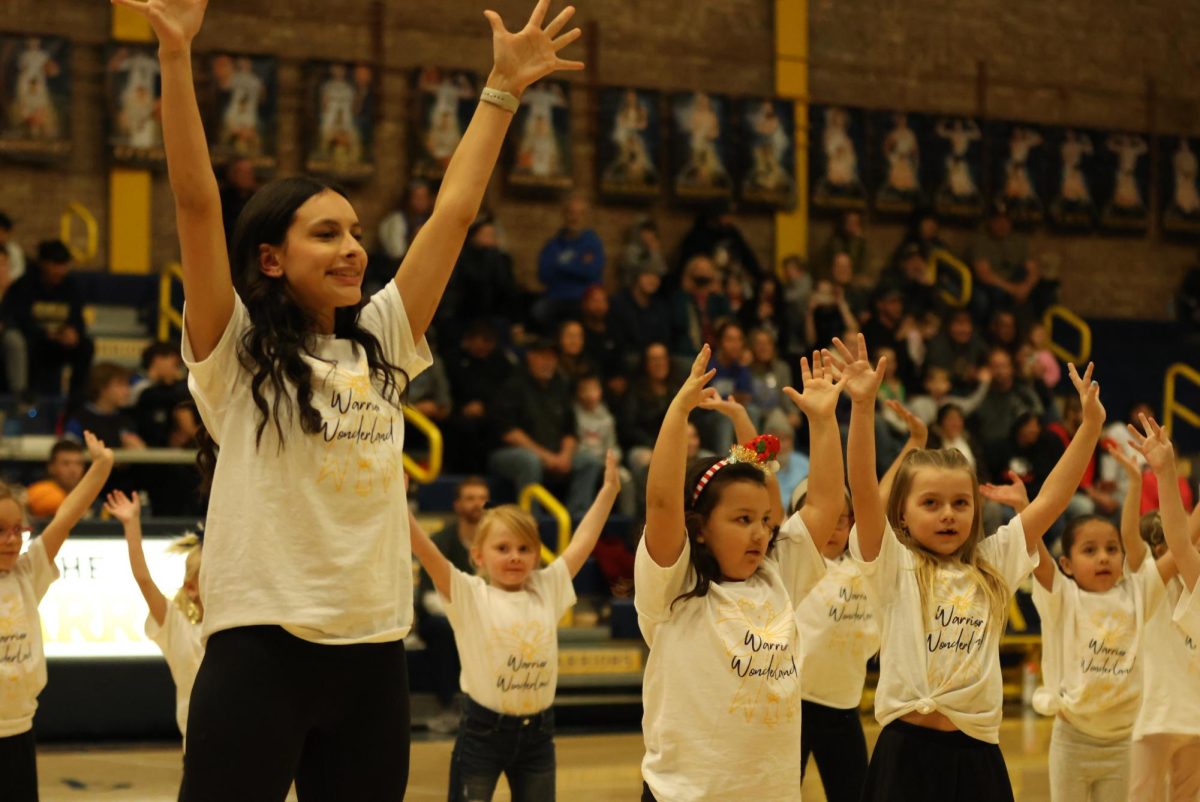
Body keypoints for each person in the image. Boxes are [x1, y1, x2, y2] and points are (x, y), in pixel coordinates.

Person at [115, 0, 584, 797]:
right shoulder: (233, 353)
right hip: (259, 648)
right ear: (270, 258)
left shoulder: (386, 338)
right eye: (326, 234)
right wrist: (175, 54)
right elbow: (196, 204)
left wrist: (501, 89)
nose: (354, 248)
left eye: (357, 231)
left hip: (372, 650)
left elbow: (455, 212)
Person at [842, 330, 1104, 802]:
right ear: (902, 511)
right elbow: (862, 490)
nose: (948, 514)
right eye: (932, 502)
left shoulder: (994, 561)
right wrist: (862, 409)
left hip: (976, 755)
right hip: (904, 755)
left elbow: (1051, 499)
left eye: (961, 502)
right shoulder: (892, 564)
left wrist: (1089, 428)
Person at [637, 345, 846, 801]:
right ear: (702, 529)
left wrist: (824, 421)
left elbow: (828, 504)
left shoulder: (778, 573)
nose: (760, 533)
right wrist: (679, 410)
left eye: (765, 521)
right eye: (741, 520)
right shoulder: (675, 586)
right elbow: (662, 502)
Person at [409, 452, 620, 802]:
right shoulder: (469, 594)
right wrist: (400, 505)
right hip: (481, 735)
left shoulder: (546, 588)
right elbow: (427, 552)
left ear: (537, 556)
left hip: (538, 736)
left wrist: (610, 490)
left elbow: (582, 542)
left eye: (524, 549)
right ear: (479, 556)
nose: (514, 556)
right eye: (503, 548)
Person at [997, 446, 1171, 802]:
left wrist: (1137, 482)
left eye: (1111, 549)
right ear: (1068, 564)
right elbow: (1037, 553)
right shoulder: (1063, 596)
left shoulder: (1139, 592)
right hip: (1072, 740)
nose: (1104, 556)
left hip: (1123, 742)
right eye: (1089, 551)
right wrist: (1022, 508)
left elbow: (1177, 545)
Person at [0, 432, 113, 801]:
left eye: (17, 529)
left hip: (19, 729)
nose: (10, 539)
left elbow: (66, 516)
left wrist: (100, 467)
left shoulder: (27, 573)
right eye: (0, 530)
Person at [105, 490, 204, 744]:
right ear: (191, 588)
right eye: (208, 575)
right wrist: (131, 524)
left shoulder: (238, 629)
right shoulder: (179, 629)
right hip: (197, 747)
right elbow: (144, 580)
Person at [489, 338, 603, 519]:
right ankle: (531, 520)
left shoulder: (560, 387)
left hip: (555, 454)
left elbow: (570, 431)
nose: (547, 362)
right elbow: (509, 432)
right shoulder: (513, 385)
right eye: (542, 357)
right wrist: (546, 456)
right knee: (529, 461)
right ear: (530, 357)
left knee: (589, 461)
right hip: (510, 454)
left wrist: (565, 456)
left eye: (551, 358)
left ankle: (578, 519)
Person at [415, 477, 490, 734]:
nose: (477, 504)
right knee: (442, 628)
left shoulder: (497, 543)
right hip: (443, 617)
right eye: (470, 498)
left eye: (482, 498)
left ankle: (491, 707)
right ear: (458, 505)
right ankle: (451, 706)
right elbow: (429, 598)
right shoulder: (442, 539)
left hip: (485, 616)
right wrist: (466, 616)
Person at [0, 239, 94, 407]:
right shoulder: (24, 285)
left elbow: (77, 318)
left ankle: (77, 398)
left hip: (58, 343)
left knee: (85, 345)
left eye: (64, 265)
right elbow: (17, 319)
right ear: (43, 264)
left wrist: (72, 330)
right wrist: (46, 334)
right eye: (56, 265)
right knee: (17, 341)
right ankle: (21, 395)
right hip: (34, 341)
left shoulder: (71, 287)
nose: (60, 270)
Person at [534, 194, 605, 325]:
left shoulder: (593, 243)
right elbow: (543, 275)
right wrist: (579, 265)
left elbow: (592, 272)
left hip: (583, 298)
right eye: (571, 213)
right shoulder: (553, 244)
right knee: (540, 310)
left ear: (586, 217)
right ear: (564, 215)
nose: (575, 218)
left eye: (580, 214)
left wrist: (561, 265)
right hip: (556, 297)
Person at [25, 439, 86, 518]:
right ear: (51, 467)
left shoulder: (92, 502)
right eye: (66, 463)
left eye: (78, 463)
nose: (73, 470)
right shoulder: (40, 493)